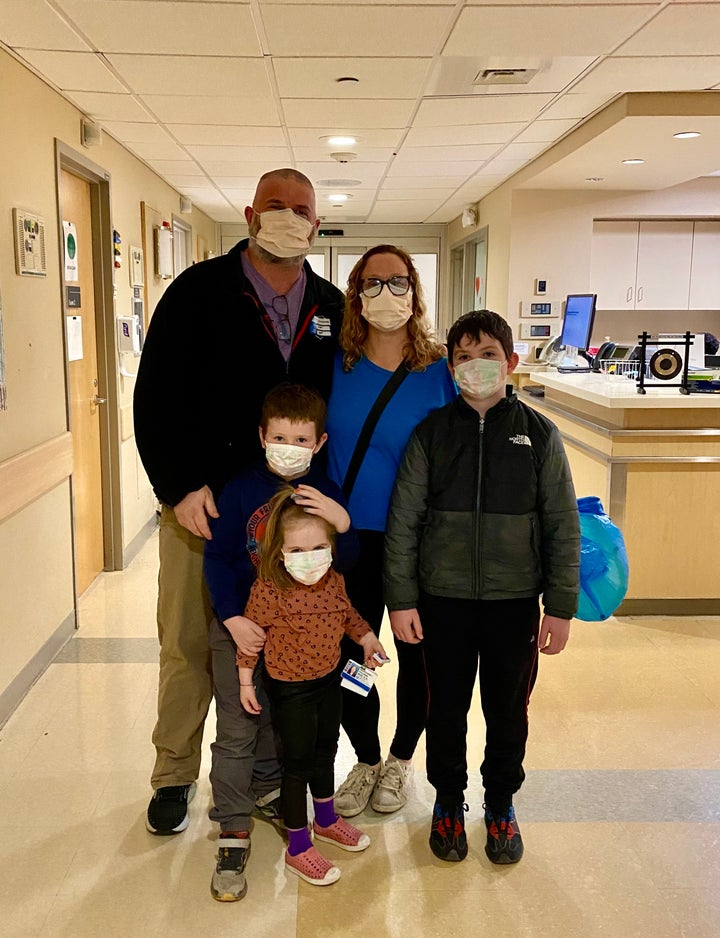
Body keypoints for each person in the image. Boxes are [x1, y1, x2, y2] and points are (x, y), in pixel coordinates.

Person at [133, 168, 344, 837]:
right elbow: (154, 399)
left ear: (316, 223)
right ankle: (172, 773)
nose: (288, 216)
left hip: (289, 524)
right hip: (205, 510)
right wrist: (177, 487)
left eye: (301, 209)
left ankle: (265, 773)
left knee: (280, 643)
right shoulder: (199, 292)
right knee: (191, 644)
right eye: (275, 206)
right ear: (251, 213)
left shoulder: (331, 306)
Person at [383, 309, 580, 864]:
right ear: (449, 367)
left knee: (506, 710)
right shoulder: (431, 435)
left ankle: (500, 804)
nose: (476, 367)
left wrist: (559, 606)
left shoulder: (540, 435)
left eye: (488, 355)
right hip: (440, 601)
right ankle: (448, 800)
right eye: (464, 357)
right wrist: (401, 599)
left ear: (511, 362)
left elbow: (563, 523)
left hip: (514, 604)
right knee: (444, 707)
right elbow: (404, 522)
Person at [203, 382, 359, 900]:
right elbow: (219, 557)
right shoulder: (241, 488)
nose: (290, 446)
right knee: (239, 724)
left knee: (287, 726)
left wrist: (342, 521)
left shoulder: (326, 490)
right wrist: (230, 617)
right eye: (279, 436)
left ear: (318, 443)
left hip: (303, 642)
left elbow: (345, 565)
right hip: (243, 627)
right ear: (262, 436)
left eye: (302, 438)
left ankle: (280, 796)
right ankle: (232, 825)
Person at [326, 245, 457, 817]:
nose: (386, 293)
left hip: (418, 541)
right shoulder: (335, 365)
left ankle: (401, 759)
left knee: (417, 656)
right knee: (351, 659)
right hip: (349, 539)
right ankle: (365, 755)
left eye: (397, 281)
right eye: (372, 283)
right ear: (355, 294)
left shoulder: (439, 372)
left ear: (415, 291)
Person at [238, 488, 388, 886]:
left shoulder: (334, 580)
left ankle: (325, 820)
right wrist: (244, 682)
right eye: (298, 550)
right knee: (298, 764)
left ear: (332, 548)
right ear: (279, 551)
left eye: (319, 547)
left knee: (326, 752)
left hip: (329, 682)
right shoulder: (269, 590)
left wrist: (367, 637)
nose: (310, 558)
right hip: (291, 690)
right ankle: (298, 845)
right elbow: (250, 640)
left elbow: (348, 614)